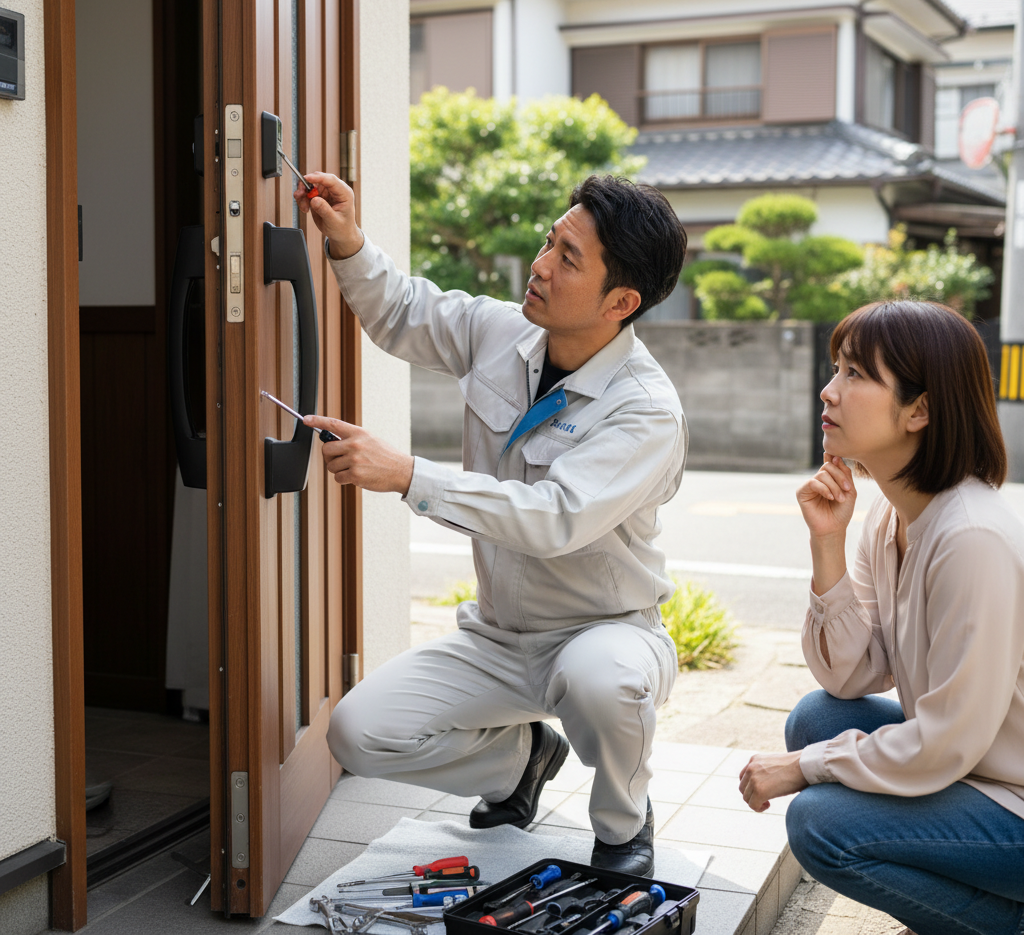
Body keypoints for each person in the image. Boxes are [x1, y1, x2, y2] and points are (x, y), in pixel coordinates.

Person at [293, 170, 688, 876]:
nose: (539, 266)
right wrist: (348, 238)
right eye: (549, 242)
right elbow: (404, 312)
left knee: (603, 681)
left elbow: (554, 518)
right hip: (500, 639)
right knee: (357, 734)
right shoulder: (502, 332)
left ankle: (624, 828)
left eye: (569, 259)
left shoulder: (645, 411)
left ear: (621, 301)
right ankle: (521, 761)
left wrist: (409, 475)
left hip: (604, 633)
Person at [738, 300, 1024, 935]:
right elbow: (851, 677)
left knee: (820, 824)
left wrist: (806, 768)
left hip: (1014, 802)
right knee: (817, 718)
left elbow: (945, 740)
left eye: (854, 374)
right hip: (979, 769)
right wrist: (827, 545)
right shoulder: (892, 517)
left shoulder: (972, 537)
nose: (828, 389)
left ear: (919, 410)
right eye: (836, 369)